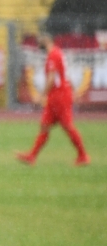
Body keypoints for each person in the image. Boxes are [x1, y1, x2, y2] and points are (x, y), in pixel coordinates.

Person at [16, 33, 89, 166]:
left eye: (40, 44)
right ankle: (31, 156)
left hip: (59, 95)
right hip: (58, 94)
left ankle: (83, 155)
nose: (39, 47)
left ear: (45, 41)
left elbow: (51, 78)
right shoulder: (58, 53)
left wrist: (41, 95)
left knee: (67, 126)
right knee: (44, 126)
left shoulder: (53, 56)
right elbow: (66, 75)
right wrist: (74, 91)